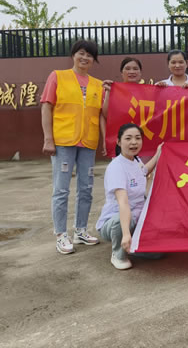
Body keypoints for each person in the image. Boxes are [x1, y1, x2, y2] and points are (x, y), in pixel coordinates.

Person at [41, 39, 104, 254]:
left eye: (89, 55)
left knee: (86, 188)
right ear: (73, 55)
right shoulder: (58, 76)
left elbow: (102, 113)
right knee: (61, 189)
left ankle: (80, 230)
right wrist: (48, 138)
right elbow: (46, 107)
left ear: (94, 60)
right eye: (81, 53)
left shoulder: (97, 85)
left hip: (88, 142)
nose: (85, 58)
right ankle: (61, 234)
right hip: (63, 142)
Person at [96, 123, 163, 270]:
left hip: (136, 216)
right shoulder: (116, 167)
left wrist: (158, 153)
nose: (134, 142)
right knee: (126, 220)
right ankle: (118, 254)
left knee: (157, 254)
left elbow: (144, 171)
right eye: (128, 138)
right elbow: (123, 203)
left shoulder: (136, 161)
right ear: (119, 142)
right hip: (115, 221)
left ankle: (132, 248)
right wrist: (126, 234)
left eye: (138, 138)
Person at [100, 57, 144, 154]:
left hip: (143, 141)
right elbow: (105, 115)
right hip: (121, 141)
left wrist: (162, 89)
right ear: (121, 73)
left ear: (140, 73)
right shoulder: (112, 90)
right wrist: (105, 140)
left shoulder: (149, 93)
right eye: (127, 69)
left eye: (135, 69)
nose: (131, 72)